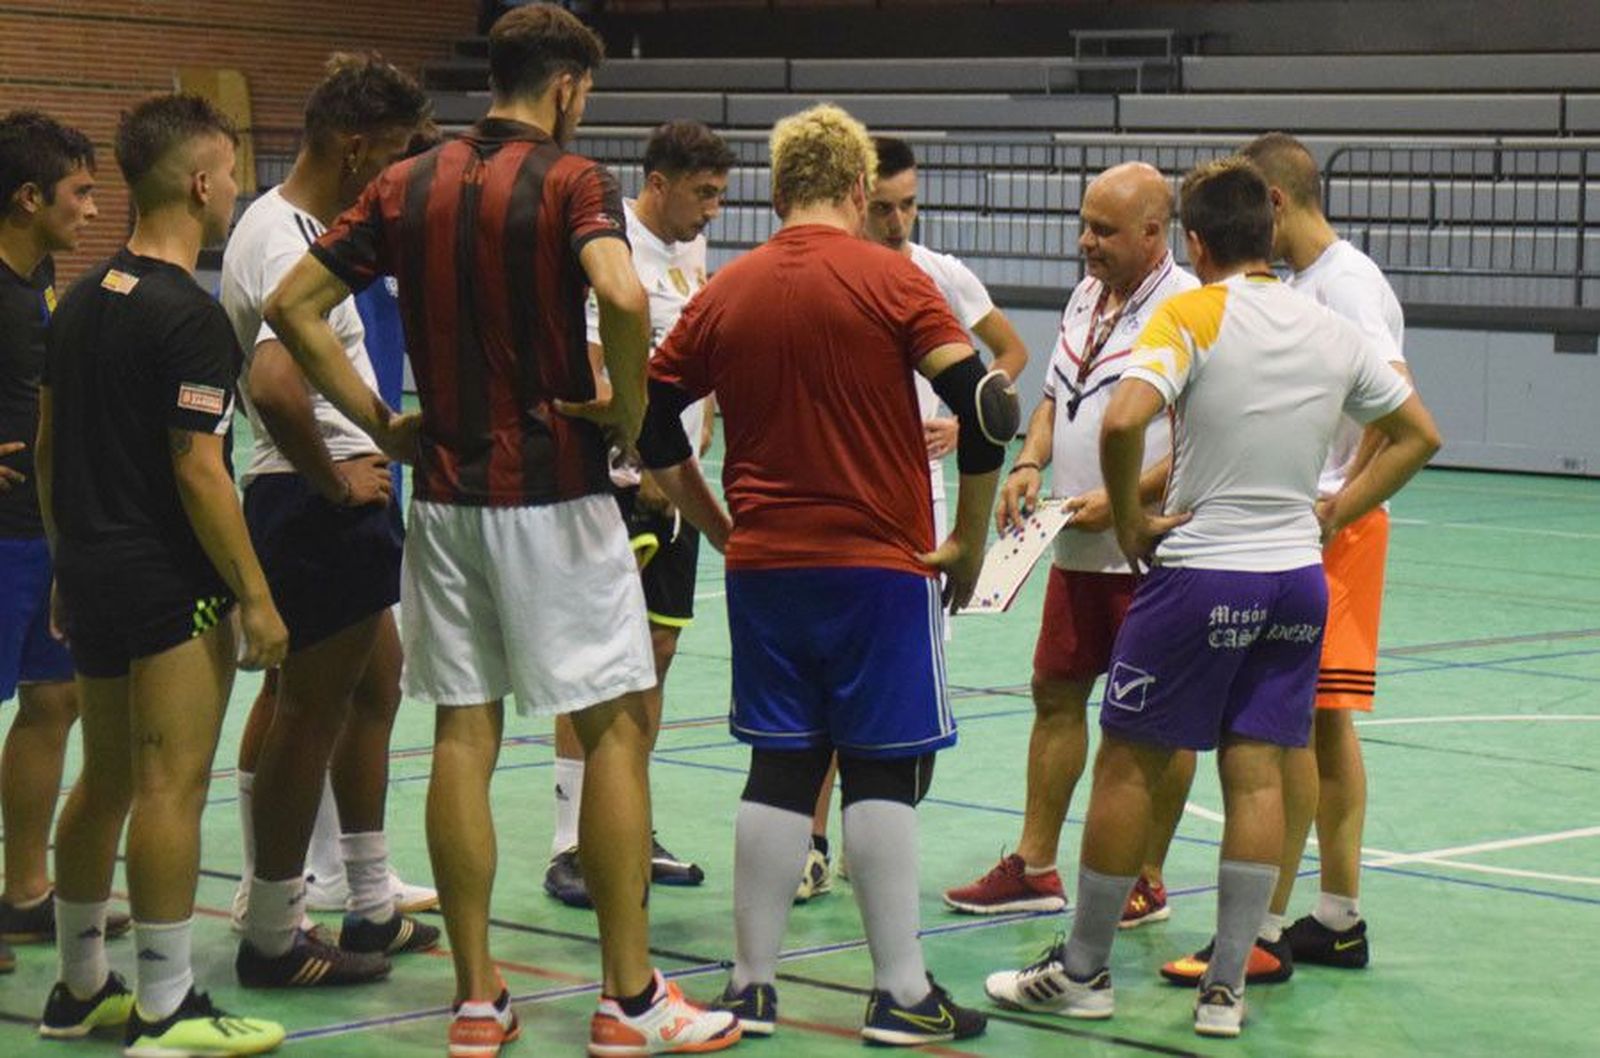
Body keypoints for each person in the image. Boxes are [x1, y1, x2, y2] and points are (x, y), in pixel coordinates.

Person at [262, 6, 741, 1055]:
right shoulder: (573, 181)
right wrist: (620, 400)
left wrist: (380, 422)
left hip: (442, 499)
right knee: (615, 723)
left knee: (463, 732)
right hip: (558, 496)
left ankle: (478, 1000)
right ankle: (627, 997)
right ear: (567, 86)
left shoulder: (404, 180)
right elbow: (619, 286)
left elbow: (293, 304)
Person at [983, 158, 1440, 1039]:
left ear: (1193, 241)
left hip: (1201, 573)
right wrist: (1340, 504)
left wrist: (1128, 519)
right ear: (1269, 231)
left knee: (1128, 760)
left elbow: (1121, 421)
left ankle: (1081, 971)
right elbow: (1420, 432)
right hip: (1295, 579)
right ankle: (1226, 987)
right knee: (1258, 766)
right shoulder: (1328, 327)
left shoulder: (1190, 312)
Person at [632, 102, 1002, 1046]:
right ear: (854, 187)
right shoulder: (895, 282)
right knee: (881, 769)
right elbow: (986, 406)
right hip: (880, 565)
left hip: (765, 568)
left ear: (774, 187)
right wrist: (966, 538)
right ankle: (902, 994)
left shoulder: (727, 290)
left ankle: (751, 987)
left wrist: (715, 521)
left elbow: (650, 417)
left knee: (780, 765)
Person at [36, 92, 288, 1055]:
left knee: (100, 781)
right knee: (170, 787)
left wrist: (69, 562)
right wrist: (256, 598)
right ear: (198, 182)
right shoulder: (190, 319)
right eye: (229, 173)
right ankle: (166, 1004)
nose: (236, 189)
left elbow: (53, 449)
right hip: (167, 583)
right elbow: (199, 469)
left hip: (93, 570)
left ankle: (77, 989)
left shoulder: (85, 295)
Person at [1154, 132, 1414, 988]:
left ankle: (1268, 928)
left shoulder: (1344, 283)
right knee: (1315, 724)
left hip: (1328, 520)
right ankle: (1333, 917)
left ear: (1271, 201)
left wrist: (1342, 498)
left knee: (1292, 726)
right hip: (1311, 519)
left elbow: (1397, 398)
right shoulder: (1306, 283)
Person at [220, 52, 438, 988]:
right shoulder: (282, 238)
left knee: (376, 686)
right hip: (315, 503)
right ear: (355, 149)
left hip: (339, 497)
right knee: (307, 713)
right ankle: (273, 927)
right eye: (391, 154)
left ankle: (372, 903)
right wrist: (330, 474)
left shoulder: (307, 224)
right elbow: (273, 382)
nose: (398, 174)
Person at [939, 162, 1198, 919]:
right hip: (1075, 548)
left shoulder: (1188, 308)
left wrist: (1120, 498)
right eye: (1084, 224)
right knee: (1055, 694)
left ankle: (1145, 877)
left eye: (1105, 230)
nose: (1086, 241)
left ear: (1155, 233)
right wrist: (1028, 459)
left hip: (1148, 555)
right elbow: (1056, 394)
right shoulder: (1088, 294)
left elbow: (1195, 442)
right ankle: (1034, 864)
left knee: (1158, 719)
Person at [796, 134, 1030, 903]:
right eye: (886, 207)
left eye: (910, 207)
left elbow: (1010, 353)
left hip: (922, 504)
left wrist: (967, 419)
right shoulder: (828, 272)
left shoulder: (940, 275)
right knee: (825, 686)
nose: (898, 223)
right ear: (859, 196)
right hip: (838, 496)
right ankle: (810, 840)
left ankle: (873, 826)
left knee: (899, 682)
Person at [544, 119, 737, 909]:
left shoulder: (688, 253)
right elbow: (593, 375)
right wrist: (641, 456)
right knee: (598, 659)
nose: (713, 212)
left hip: (678, 481)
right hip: (623, 486)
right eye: (704, 194)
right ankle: (570, 844)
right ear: (659, 184)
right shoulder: (612, 247)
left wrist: (703, 425)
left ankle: (627, 824)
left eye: (722, 196)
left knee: (655, 652)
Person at [0, 110, 129, 976]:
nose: (92, 209)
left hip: (40, 534)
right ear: (28, 196)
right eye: (80, 193)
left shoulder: (40, 276)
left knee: (54, 705)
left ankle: (25, 893)